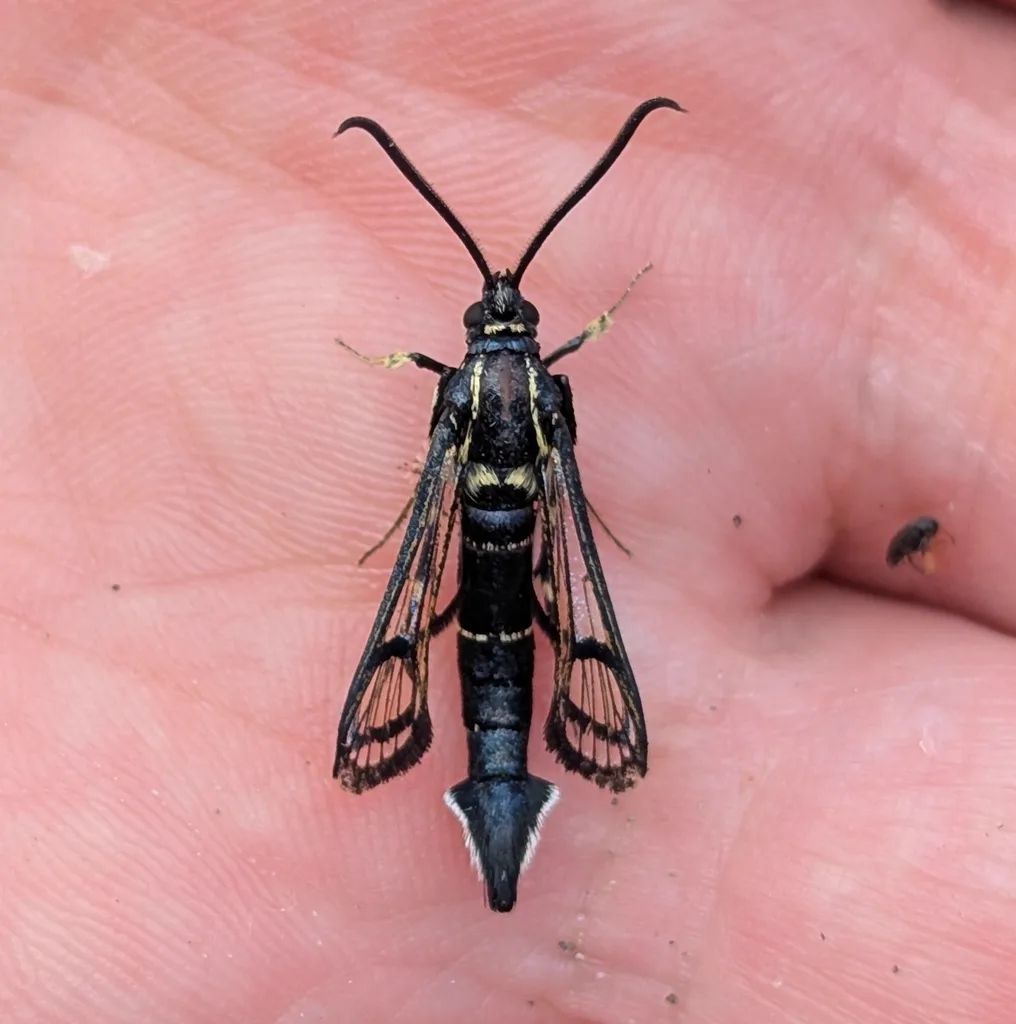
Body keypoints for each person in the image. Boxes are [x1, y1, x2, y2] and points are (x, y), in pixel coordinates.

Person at [4, 1, 1016, 1020]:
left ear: (474, 344)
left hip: (474, 565)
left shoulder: (455, 387)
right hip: (533, 571)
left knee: (438, 595)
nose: (504, 318)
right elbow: (568, 491)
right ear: (529, 341)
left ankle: (487, 782)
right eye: (510, 320)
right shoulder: (543, 386)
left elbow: (432, 498)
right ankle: (508, 786)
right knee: (532, 592)